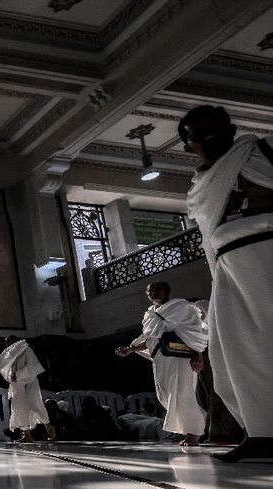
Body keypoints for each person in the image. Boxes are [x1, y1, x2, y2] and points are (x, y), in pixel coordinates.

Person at [179, 105, 273, 461]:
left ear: (231, 128)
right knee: (234, 351)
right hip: (230, 265)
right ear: (189, 147)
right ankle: (262, 431)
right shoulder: (200, 185)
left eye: (214, 128)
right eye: (198, 135)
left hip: (268, 249)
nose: (208, 137)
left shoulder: (262, 151)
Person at [115, 281, 207, 446]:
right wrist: (131, 349)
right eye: (150, 291)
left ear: (167, 291)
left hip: (181, 358)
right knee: (166, 396)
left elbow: (194, 332)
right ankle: (188, 431)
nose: (154, 293)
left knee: (183, 394)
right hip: (161, 359)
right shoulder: (149, 314)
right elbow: (151, 338)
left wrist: (198, 355)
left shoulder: (182, 307)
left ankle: (193, 433)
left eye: (158, 290)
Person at [189, 299, 242, 444]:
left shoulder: (217, 325)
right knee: (204, 397)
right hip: (205, 365)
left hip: (218, 363)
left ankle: (224, 433)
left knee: (219, 396)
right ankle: (212, 430)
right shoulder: (197, 327)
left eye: (198, 312)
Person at [0, 336, 55, 443]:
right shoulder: (10, 354)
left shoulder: (27, 350)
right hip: (17, 385)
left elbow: (34, 367)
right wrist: (12, 376)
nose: (8, 345)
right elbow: (8, 370)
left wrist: (18, 374)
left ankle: (47, 425)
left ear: (16, 341)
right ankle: (27, 435)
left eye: (10, 342)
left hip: (29, 383)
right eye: (7, 343)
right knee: (19, 409)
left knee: (34, 405)